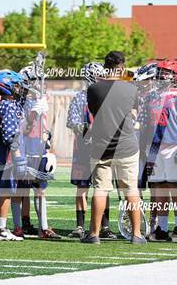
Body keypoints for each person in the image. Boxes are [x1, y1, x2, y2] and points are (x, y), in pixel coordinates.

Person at [82, 51, 145, 244]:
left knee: (100, 190)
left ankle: (93, 234)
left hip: (101, 146)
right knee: (131, 190)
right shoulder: (130, 89)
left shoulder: (93, 89)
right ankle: (136, 234)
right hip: (126, 145)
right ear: (122, 67)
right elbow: (134, 112)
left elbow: (94, 112)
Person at [138, 60, 177, 242]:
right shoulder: (151, 96)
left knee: (176, 187)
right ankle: (161, 227)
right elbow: (144, 123)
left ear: (175, 76)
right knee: (159, 187)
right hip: (153, 148)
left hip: (173, 146)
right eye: (160, 72)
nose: (161, 76)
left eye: (166, 72)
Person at [66, 62, 116, 239]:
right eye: (98, 76)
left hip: (103, 147)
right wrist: (90, 131)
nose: (101, 79)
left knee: (103, 186)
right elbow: (72, 123)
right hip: (84, 148)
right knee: (82, 186)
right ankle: (80, 225)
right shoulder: (80, 97)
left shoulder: (106, 97)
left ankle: (105, 225)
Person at [10, 65, 59, 239]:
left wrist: (47, 142)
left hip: (39, 147)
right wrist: (33, 113)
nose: (40, 84)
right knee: (20, 191)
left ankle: (43, 228)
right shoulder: (19, 102)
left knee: (40, 189)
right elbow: (22, 128)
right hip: (24, 148)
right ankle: (17, 227)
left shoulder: (41, 99)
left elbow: (43, 126)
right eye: (37, 80)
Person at [0, 69, 27, 241]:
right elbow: (10, 135)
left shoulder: (0, 105)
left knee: (3, 192)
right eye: (16, 85)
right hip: (7, 156)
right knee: (6, 192)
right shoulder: (9, 106)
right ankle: (1, 228)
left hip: (0, 154)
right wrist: (18, 157)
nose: (19, 88)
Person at [134, 62, 158, 233]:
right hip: (138, 146)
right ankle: (140, 218)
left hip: (152, 146)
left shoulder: (156, 98)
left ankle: (154, 220)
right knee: (137, 185)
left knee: (156, 186)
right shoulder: (139, 96)